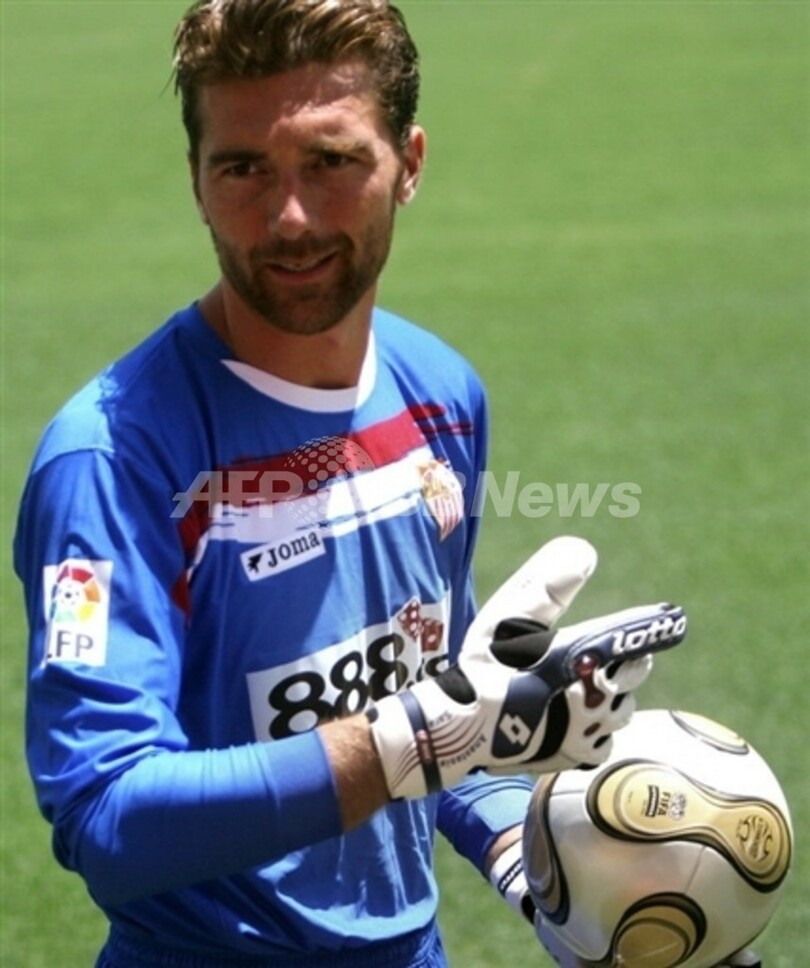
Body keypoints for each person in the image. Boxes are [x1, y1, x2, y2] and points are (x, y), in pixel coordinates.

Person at [14, 2, 705, 966]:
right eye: (243, 168)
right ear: (196, 180)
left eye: (331, 161)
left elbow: (444, 699)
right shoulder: (113, 455)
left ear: (409, 164)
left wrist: (536, 862)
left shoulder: (441, 394)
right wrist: (406, 742)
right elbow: (108, 814)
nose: (289, 218)